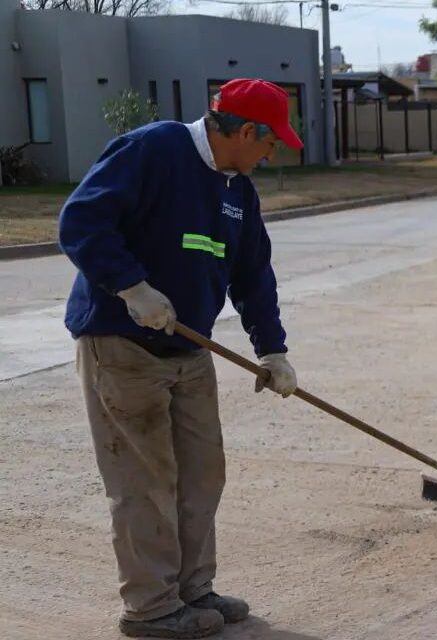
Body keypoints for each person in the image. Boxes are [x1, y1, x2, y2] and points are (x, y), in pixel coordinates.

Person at [58, 78, 303, 639]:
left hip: (189, 350)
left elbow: (252, 273)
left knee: (201, 474)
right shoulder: (155, 149)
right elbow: (81, 222)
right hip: (123, 347)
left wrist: (273, 347)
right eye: (270, 144)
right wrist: (131, 288)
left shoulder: (238, 189)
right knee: (144, 481)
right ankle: (151, 607)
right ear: (244, 131)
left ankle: (194, 588)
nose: (272, 155)